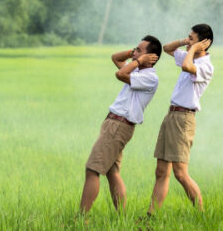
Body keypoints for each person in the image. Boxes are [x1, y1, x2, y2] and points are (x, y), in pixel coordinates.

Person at [80, 35, 162, 214]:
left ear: (151, 57)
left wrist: (138, 60)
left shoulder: (149, 77)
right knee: (112, 172)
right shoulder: (137, 71)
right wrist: (135, 54)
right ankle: (122, 217)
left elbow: (120, 74)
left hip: (118, 126)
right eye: (135, 49)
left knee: (93, 170)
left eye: (140, 50)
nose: (135, 53)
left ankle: (81, 218)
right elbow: (115, 58)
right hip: (115, 124)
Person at [147, 24, 213, 214]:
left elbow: (186, 67)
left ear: (202, 44)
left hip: (184, 119)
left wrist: (192, 48)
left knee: (180, 173)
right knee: (161, 171)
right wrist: (186, 42)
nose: (187, 41)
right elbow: (167, 48)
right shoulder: (189, 55)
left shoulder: (205, 65)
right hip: (172, 115)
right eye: (188, 37)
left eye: (192, 38)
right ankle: (151, 216)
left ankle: (202, 214)